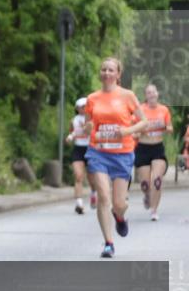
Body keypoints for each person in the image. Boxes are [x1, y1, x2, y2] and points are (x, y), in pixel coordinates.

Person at [84, 57, 147, 258]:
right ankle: (109, 243)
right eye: (104, 69)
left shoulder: (128, 96)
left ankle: (119, 217)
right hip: (98, 152)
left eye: (111, 70)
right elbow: (88, 125)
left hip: (122, 153)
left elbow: (143, 122)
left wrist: (126, 131)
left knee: (119, 203)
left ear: (118, 74)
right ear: (100, 73)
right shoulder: (92, 98)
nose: (107, 73)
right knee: (103, 196)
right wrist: (88, 129)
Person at [134, 84, 173, 221]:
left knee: (157, 180)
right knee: (145, 184)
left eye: (153, 92)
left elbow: (170, 128)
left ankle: (154, 210)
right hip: (143, 148)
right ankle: (147, 195)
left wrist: (163, 126)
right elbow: (133, 132)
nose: (151, 95)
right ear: (146, 96)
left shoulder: (163, 110)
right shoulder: (140, 110)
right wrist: (141, 131)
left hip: (157, 148)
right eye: (148, 93)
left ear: (157, 94)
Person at [65, 98, 96, 214]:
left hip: (90, 149)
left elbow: (93, 132)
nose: (83, 109)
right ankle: (79, 204)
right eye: (81, 107)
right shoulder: (74, 120)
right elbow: (72, 132)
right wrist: (70, 138)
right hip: (78, 149)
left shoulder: (92, 119)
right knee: (78, 176)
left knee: (92, 178)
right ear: (77, 108)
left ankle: (94, 193)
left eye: (85, 107)